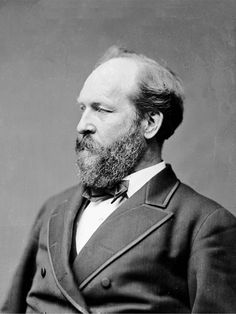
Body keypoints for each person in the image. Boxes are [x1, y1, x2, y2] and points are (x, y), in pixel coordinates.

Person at [2, 46, 236, 313]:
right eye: (83, 108)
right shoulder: (54, 208)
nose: (82, 124)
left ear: (150, 123)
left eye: (101, 109)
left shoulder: (204, 224)